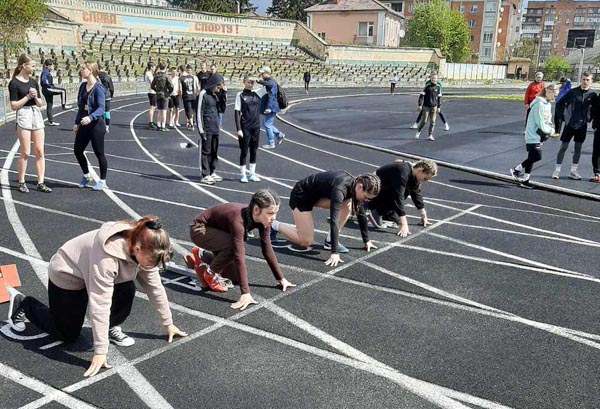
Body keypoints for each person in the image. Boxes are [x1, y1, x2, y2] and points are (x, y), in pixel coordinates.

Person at [6, 216, 187, 378]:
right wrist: (100, 351)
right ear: (137, 249)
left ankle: (111, 326)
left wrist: (168, 323)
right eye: (149, 263)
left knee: (127, 289)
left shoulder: (148, 245)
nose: (150, 267)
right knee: (67, 335)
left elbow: (155, 287)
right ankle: (24, 304)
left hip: (102, 271)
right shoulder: (107, 258)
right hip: (68, 273)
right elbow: (99, 304)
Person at [187, 189, 296, 310]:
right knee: (234, 247)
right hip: (200, 230)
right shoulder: (237, 220)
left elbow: (267, 249)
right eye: (270, 213)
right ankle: (210, 272)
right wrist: (245, 293)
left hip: (222, 231)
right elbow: (239, 255)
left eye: (276, 213)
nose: (273, 218)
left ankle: (203, 256)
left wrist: (280, 279)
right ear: (256, 210)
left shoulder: (264, 221)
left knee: (235, 279)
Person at [270, 172, 380, 267]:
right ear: (360, 187)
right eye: (366, 197)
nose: (366, 201)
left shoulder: (354, 185)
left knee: (349, 205)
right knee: (306, 241)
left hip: (316, 196)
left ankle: (329, 241)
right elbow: (334, 220)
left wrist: (366, 240)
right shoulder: (340, 189)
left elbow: (361, 212)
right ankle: (274, 225)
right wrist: (334, 252)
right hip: (301, 195)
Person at [8, 54, 52, 193]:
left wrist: (34, 97)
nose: (34, 68)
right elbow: (14, 105)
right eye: (32, 65)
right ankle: (21, 181)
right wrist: (27, 96)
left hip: (35, 114)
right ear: (23, 66)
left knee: (39, 150)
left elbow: (39, 103)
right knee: (25, 152)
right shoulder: (14, 83)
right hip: (23, 114)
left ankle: (41, 182)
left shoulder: (33, 82)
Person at [367, 160, 437, 236]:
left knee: (395, 220)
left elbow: (416, 193)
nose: (425, 181)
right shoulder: (403, 172)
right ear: (420, 170)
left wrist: (423, 214)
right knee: (404, 192)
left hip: (385, 189)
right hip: (372, 189)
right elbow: (398, 196)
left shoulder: (413, 175)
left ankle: (377, 209)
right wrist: (404, 224)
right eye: (425, 178)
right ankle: (372, 209)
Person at [510, 84, 560, 188]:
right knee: (537, 156)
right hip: (532, 134)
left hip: (540, 135)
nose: (555, 98)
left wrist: (552, 129)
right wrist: (550, 131)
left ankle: (525, 179)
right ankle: (517, 169)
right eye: (554, 95)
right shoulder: (539, 104)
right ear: (548, 92)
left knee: (531, 157)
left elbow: (548, 120)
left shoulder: (548, 104)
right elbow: (540, 122)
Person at [552, 71, 596, 180]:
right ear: (580, 80)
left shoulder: (593, 95)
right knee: (563, 147)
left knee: (578, 149)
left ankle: (573, 171)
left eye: (587, 80)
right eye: (583, 79)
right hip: (570, 124)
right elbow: (559, 104)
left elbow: (596, 109)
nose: (585, 82)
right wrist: (564, 118)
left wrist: (589, 118)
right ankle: (557, 170)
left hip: (582, 126)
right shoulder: (573, 92)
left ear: (591, 81)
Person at [73, 61, 108, 191]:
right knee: (77, 150)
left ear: (91, 70)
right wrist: (76, 123)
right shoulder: (83, 86)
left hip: (96, 125)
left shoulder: (98, 88)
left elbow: (101, 108)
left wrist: (90, 117)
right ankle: (87, 175)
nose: (81, 71)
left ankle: (102, 180)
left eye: (83, 68)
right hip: (84, 123)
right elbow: (81, 107)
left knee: (99, 153)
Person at [235, 74, 267, 183]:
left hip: (256, 126)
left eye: (252, 82)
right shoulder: (240, 95)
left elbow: (270, 86)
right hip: (245, 127)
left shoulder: (257, 93)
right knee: (244, 151)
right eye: (248, 82)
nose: (250, 84)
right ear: (244, 82)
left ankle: (252, 174)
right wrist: (238, 129)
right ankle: (243, 174)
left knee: (254, 150)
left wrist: (258, 80)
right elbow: (237, 112)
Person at [197, 73, 225, 185]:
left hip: (215, 127)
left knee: (214, 151)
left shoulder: (216, 95)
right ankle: (205, 174)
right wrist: (201, 130)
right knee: (206, 151)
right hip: (206, 128)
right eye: (218, 87)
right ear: (213, 84)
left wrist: (224, 94)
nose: (219, 89)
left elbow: (222, 109)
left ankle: (212, 171)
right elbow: (199, 112)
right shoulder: (203, 94)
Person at [257, 66, 285, 149]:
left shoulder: (271, 82)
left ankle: (271, 143)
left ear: (266, 73)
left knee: (267, 124)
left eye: (262, 73)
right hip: (272, 106)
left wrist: (269, 107)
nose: (261, 74)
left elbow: (271, 96)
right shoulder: (269, 82)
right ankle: (279, 135)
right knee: (267, 124)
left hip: (272, 107)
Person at [40, 59, 71, 126]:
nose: (53, 67)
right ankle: (64, 105)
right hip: (48, 89)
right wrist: (49, 85)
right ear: (48, 66)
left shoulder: (45, 71)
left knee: (49, 104)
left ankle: (50, 121)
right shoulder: (45, 72)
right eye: (52, 66)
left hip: (45, 89)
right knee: (63, 91)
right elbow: (43, 80)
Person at [415, 72, 442, 141]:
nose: (434, 79)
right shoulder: (427, 87)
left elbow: (439, 98)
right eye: (432, 78)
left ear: (437, 79)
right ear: (430, 79)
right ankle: (418, 131)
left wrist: (439, 107)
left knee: (433, 121)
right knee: (424, 121)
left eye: (435, 78)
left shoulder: (438, 88)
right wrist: (420, 105)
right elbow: (421, 96)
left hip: (434, 107)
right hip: (426, 106)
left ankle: (430, 135)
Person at [151, 62, 173, 132]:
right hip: (165, 95)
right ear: (165, 68)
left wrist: (156, 90)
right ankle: (163, 126)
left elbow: (152, 86)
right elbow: (171, 86)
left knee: (159, 110)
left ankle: (158, 125)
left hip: (158, 94)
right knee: (164, 111)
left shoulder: (156, 76)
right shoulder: (166, 76)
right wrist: (169, 92)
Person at [180, 64, 200, 130]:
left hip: (190, 95)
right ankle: (189, 122)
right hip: (190, 95)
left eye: (190, 70)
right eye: (188, 70)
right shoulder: (190, 78)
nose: (189, 72)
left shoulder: (183, 78)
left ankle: (191, 123)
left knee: (190, 110)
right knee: (189, 110)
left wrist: (197, 93)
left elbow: (197, 86)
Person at [97, 64, 114, 134]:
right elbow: (111, 88)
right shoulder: (108, 76)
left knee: (100, 111)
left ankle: (101, 126)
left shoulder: (96, 76)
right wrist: (111, 95)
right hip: (107, 96)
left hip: (99, 95)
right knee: (107, 112)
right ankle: (107, 127)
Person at [589, 92, 600, 183]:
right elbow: (593, 111)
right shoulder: (598, 98)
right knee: (597, 151)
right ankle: (597, 173)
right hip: (599, 128)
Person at [145, 62, 157, 129]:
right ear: (151, 67)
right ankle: (150, 122)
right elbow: (152, 83)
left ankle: (151, 121)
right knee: (152, 107)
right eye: (154, 67)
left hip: (151, 91)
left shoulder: (149, 74)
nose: (155, 68)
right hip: (152, 92)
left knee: (153, 107)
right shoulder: (149, 74)